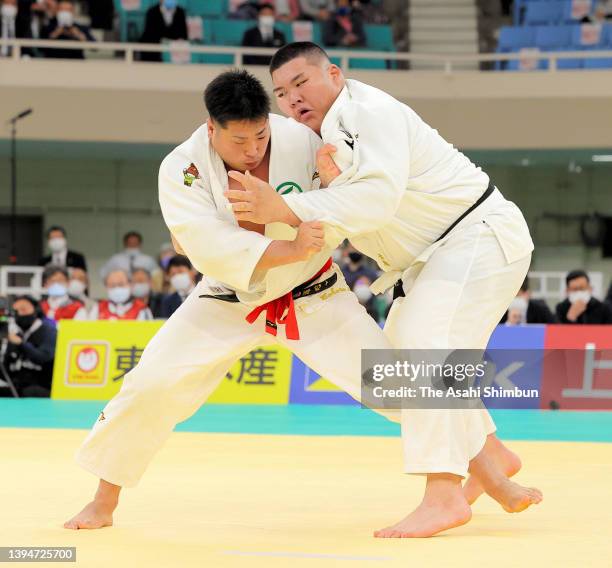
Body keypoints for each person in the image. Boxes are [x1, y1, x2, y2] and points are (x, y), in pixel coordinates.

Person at [64, 69, 404, 531]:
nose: (253, 149)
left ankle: (486, 462)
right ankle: (103, 502)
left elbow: (351, 202)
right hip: (226, 298)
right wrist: (289, 247)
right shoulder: (181, 167)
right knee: (151, 383)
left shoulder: (302, 140)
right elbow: (201, 243)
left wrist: (332, 190)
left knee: (389, 378)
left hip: (312, 291)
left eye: (260, 135)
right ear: (211, 128)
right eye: (240, 140)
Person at [227, 42, 542, 537]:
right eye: (283, 94)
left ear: (334, 73)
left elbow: (375, 199)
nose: (293, 99)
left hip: (473, 235)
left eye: (301, 83)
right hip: (425, 263)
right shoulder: (318, 141)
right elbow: (337, 222)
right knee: (393, 378)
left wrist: (289, 209)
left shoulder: (369, 111)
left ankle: (443, 494)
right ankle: (491, 458)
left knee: (426, 349)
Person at [1, 296, 56, 398]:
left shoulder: (48, 331)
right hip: (17, 386)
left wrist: (21, 344)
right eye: (16, 311)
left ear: (36, 310)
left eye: (24, 309)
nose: (20, 314)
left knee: (30, 391)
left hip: (41, 386)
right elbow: (6, 372)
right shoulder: (15, 333)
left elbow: (43, 357)